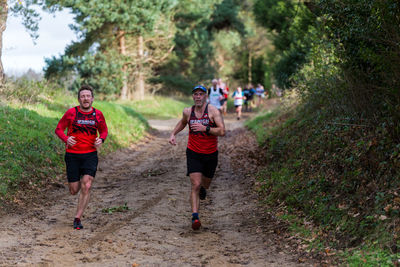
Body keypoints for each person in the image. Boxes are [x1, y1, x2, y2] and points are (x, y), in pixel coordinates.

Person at [169, 85, 225, 230]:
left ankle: (203, 189)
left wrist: (205, 128)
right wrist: (173, 134)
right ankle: (195, 217)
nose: (198, 97)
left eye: (201, 94)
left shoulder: (213, 111)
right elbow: (182, 123)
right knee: (195, 184)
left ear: (205, 96)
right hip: (193, 153)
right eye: (195, 94)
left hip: (211, 154)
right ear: (193, 97)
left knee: (205, 184)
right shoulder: (188, 112)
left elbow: (222, 131)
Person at [55, 84, 108, 230]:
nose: (86, 99)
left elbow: (104, 131)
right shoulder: (71, 113)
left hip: (90, 155)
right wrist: (66, 139)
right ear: (79, 99)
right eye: (83, 96)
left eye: (88, 96)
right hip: (72, 155)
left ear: (92, 99)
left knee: (87, 185)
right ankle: (77, 180)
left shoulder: (98, 115)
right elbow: (58, 129)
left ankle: (77, 217)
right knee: (74, 190)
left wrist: (101, 139)